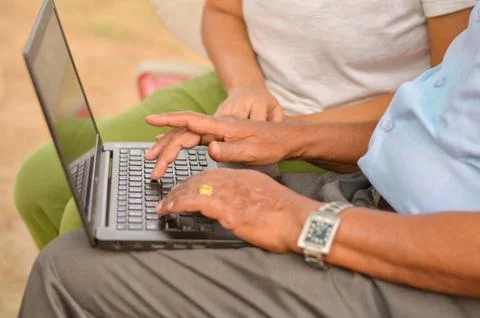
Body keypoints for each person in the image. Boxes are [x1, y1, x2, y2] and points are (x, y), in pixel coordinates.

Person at [19, 5, 480, 317]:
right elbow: (428, 111)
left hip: (418, 251)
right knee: (73, 195)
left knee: (74, 262)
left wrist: (299, 219)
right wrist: (287, 138)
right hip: (369, 187)